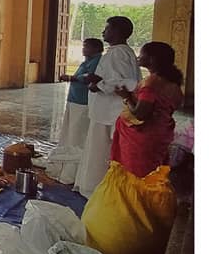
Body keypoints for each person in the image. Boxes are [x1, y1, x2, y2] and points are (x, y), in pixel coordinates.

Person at [73, 16, 140, 197]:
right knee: (99, 150)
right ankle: (98, 189)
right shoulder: (118, 52)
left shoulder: (119, 53)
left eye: (107, 28)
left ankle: (96, 190)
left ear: (118, 32)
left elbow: (126, 83)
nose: (104, 32)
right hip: (106, 111)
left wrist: (98, 83)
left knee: (100, 151)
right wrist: (99, 83)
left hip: (109, 113)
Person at [111, 42, 184, 179]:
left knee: (136, 177)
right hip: (161, 133)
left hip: (142, 139)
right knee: (153, 174)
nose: (138, 57)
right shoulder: (173, 83)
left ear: (152, 59)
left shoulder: (151, 84)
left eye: (142, 54)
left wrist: (126, 97)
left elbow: (141, 114)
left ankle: (136, 200)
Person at [56, 38, 104, 149]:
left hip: (83, 101)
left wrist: (71, 78)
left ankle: (76, 152)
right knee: (71, 127)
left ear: (96, 49)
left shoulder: (97, 61)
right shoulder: (88, 61)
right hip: (75, 99)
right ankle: (68, 149)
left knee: (78, 129)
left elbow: (89, 77)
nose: (83, 49)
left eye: (86, 46)